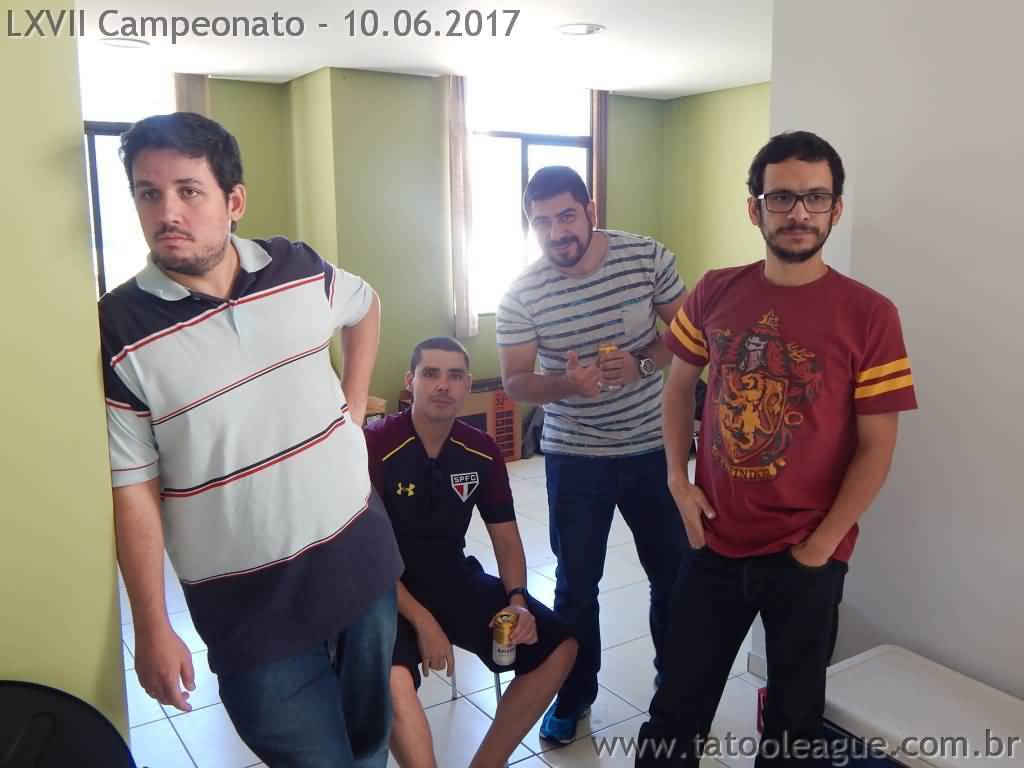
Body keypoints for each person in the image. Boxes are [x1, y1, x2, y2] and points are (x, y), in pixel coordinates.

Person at [99, 112, 402, 767]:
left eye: (188, 191)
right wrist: (152, 625)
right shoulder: (119, 329)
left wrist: (352, 406)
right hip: (247, 609)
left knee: (371, 745)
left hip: (360, 561)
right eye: (149, 194)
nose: (167, 212)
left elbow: (366, 304)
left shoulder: (297, 267)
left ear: (234, 201)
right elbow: (132, 492)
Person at [637, 131, 918, 767]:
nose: (798, 212)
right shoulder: (714, 291)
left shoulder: (870, 314)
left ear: (836, 209)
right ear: (755, 208)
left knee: (794, 724)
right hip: (713, 540)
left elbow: (877, 446)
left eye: (815, 198)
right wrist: (679, 481)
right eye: (782, 197)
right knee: (676, 706)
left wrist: (823, 545)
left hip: (808, 550)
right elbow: (679, 388)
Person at [495, 167, 688, 744]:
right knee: (576, 585)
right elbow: (514, 381)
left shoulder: (645, 258)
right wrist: (565, 386)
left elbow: (688, 333)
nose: (557, 233)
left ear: (591, 209)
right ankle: (574, 694)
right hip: (575, 458)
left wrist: (643, 363)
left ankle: (675, 688)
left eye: (566, 216)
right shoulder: (523, 293)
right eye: (541, 222)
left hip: (652, 447)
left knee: (673, 576)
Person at [364, 337, 577, 768]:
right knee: (393, 682)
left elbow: (506, 540)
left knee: (560, 646)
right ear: (410, 381)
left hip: (450, 578)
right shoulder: (375, 443)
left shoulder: (480, 450)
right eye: (431, 374)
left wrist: (518, 601)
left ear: (467, 385)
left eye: (455, 375)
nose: (443, 385)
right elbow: (364, 557)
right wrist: (423, 620)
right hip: (383, 590)